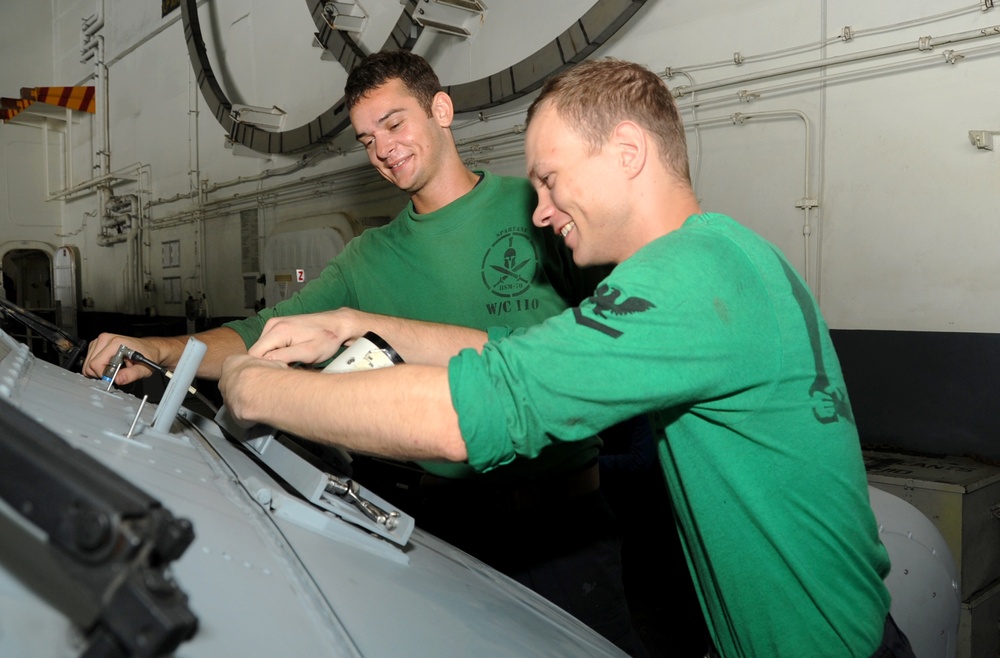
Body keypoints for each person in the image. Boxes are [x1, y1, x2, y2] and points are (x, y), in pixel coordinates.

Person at [219, 58, 915, 657]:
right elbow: (519, 353)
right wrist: (350, 322)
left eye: (551, 180)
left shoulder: (686, 280)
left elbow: (470, 411)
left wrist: (255, 389)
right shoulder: (710, 259)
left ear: (628, 152)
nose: (543, 211)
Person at [83, 51, 644, 654]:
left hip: (563, 523)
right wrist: (161, 351)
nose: (383, 148)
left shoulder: (537, 210)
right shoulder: (366, 259)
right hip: (445, 528)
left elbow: (618, 334)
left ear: (442, 110)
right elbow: (262, 333)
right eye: (367, 138)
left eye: (395, 123)